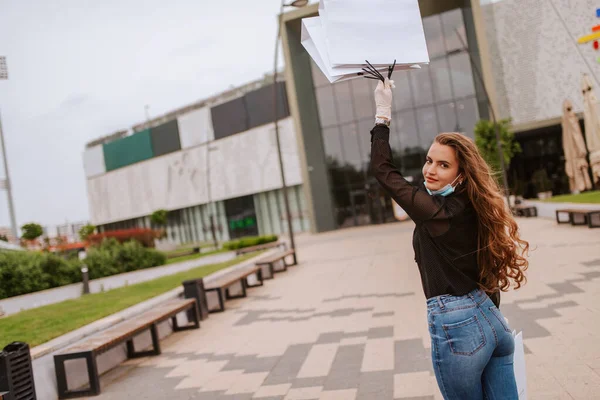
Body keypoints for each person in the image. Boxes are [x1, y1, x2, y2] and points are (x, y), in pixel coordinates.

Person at [369, 78, 529, 399]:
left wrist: (382, 115)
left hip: (459, 328)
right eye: (429, 160)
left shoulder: (437, 213)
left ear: (460, 174)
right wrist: (487, 318)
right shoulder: (475, 206)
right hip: (493, 322)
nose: (430, 170)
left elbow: (384, 172)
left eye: (443, 165)